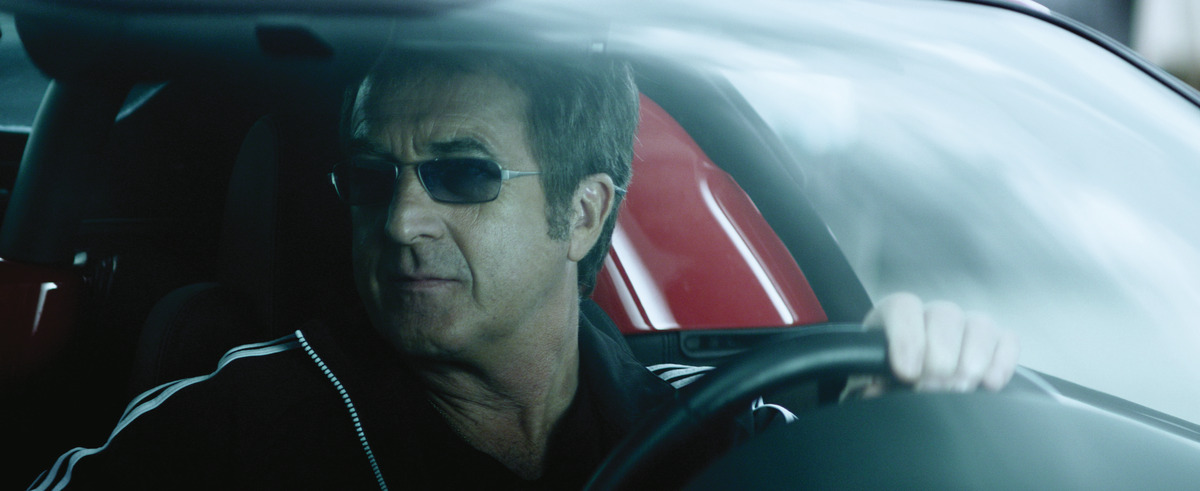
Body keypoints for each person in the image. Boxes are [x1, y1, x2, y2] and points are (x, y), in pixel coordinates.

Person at [29, 51, 1018, 490]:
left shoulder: (722, 429)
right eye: (372, 177)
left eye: (461, 174)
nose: (401, 219)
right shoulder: (225, 430)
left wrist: (894, 435)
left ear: (581, 213)